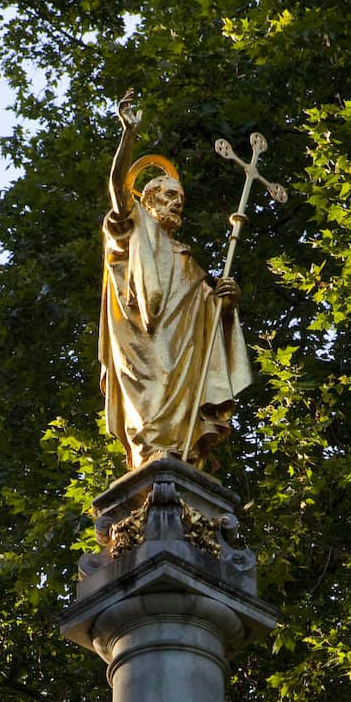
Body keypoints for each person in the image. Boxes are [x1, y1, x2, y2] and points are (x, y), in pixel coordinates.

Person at [99, 91, 252, 471]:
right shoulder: (131, 231)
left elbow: (209, 318)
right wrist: (128, 136)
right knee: (149, 425)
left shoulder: (188, 262)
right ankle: (151, 459)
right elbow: (118, 191)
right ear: (147, 200)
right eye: (168, 195)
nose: (177, 202)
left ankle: (187, 456)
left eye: (180, 198)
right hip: (142, 347)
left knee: (181, 443)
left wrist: (226, 304)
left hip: (183, 360)